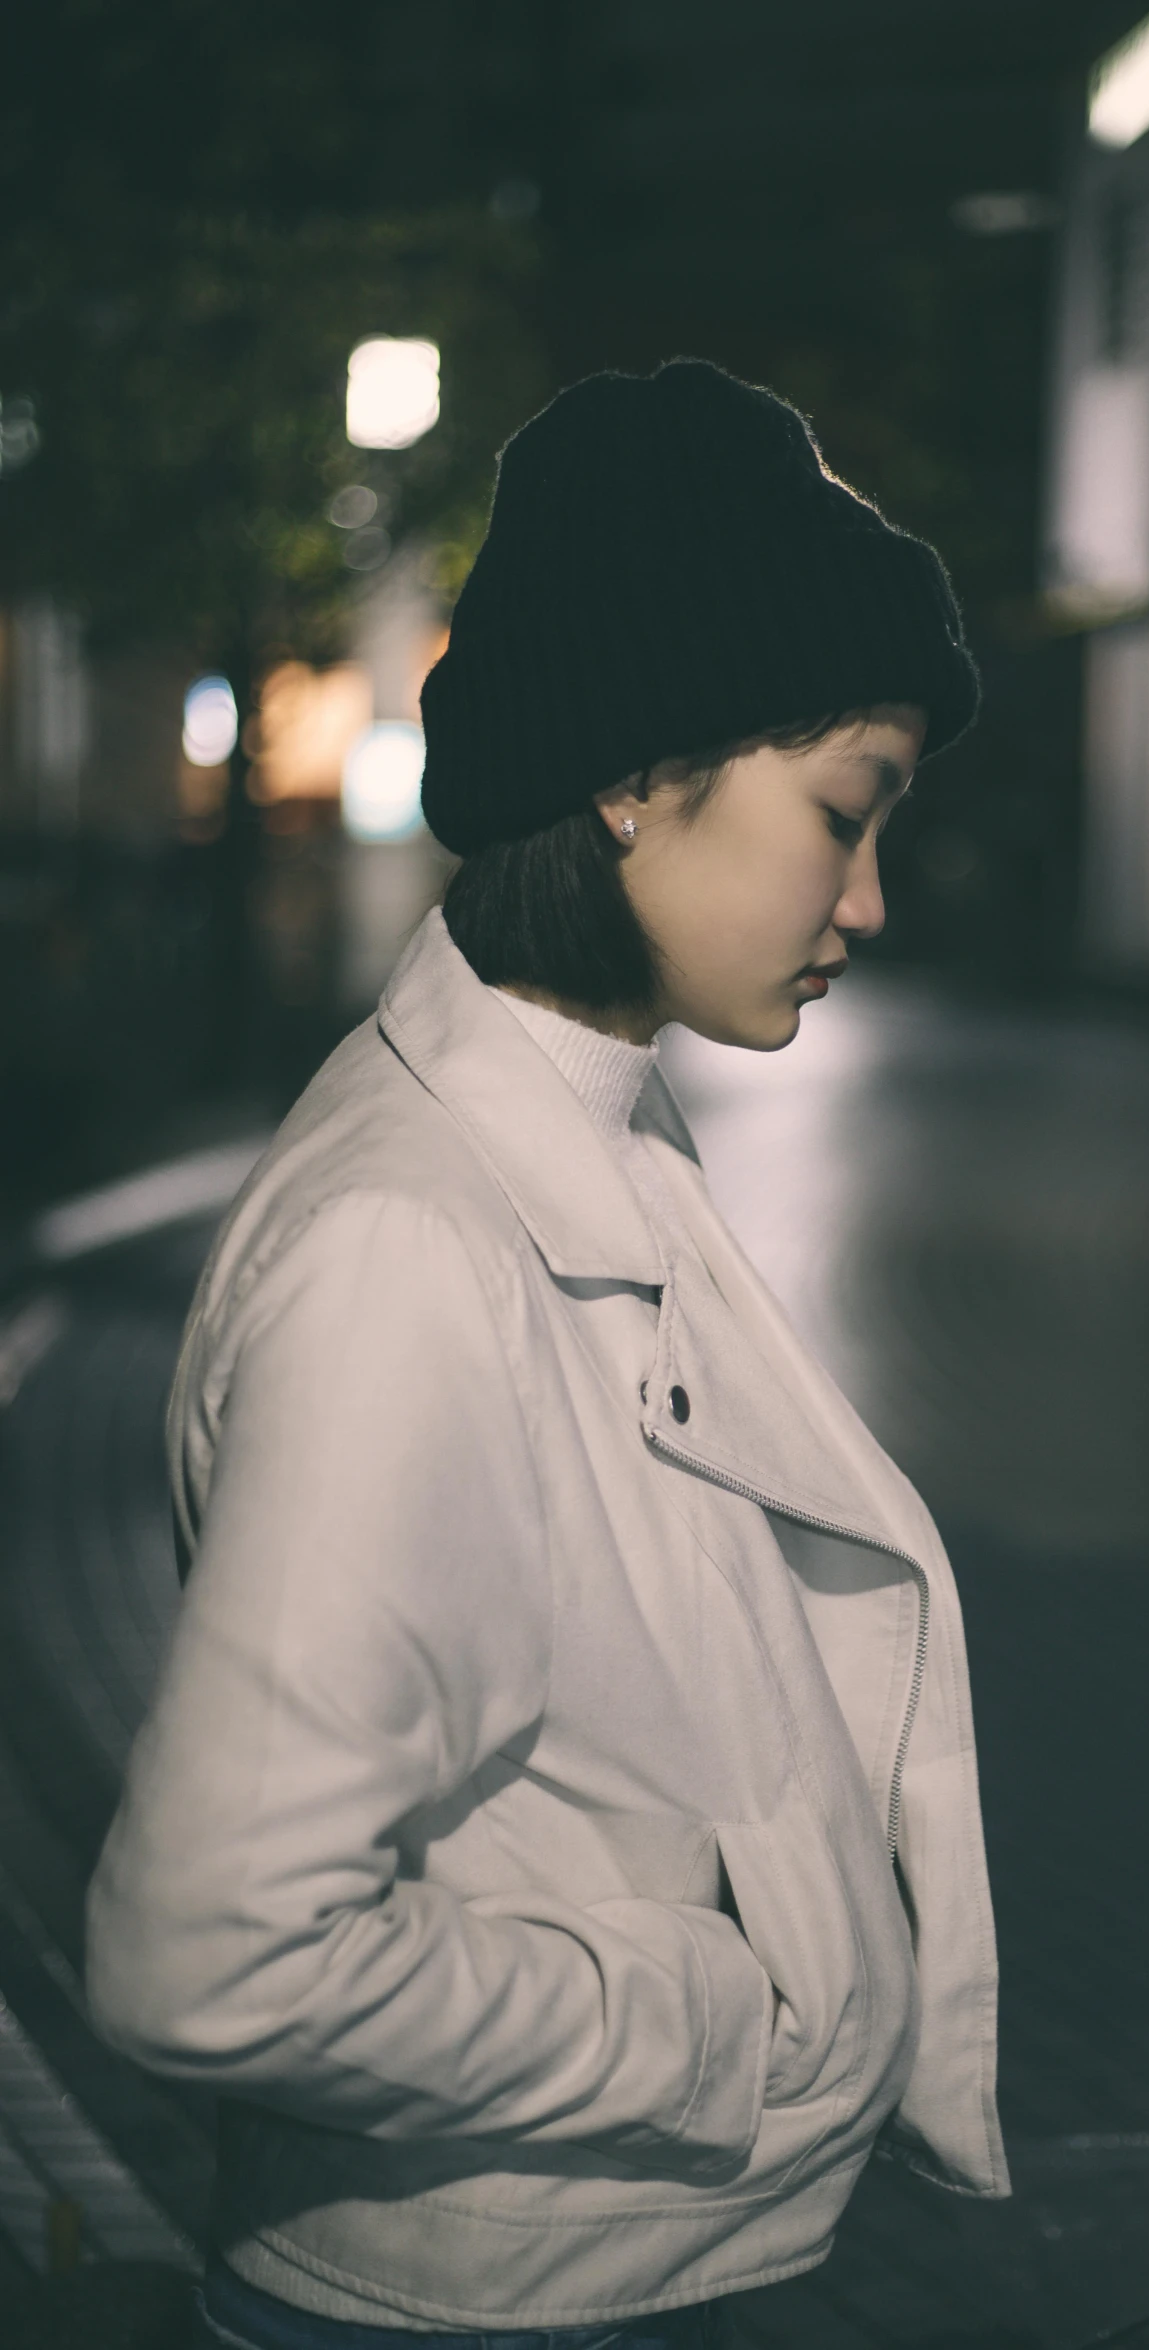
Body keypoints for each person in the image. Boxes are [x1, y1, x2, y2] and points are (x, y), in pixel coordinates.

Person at [86, 358, 1008, 2350]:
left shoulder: (582, 1125)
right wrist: (716, 2015)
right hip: (497, 2303)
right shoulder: (412, 1245)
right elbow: (212, 1954)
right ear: (630, 771)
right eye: (843, 814)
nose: (866, 896)